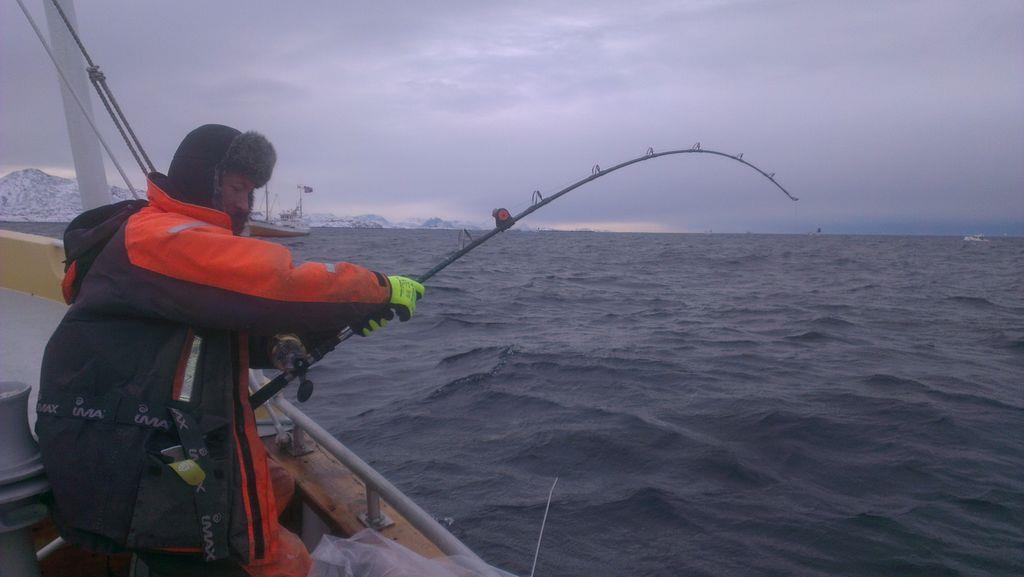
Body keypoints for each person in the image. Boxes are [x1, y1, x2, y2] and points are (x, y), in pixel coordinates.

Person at [35, 124, 424, 576]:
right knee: (276, 560)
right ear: (205, 178)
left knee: (275, 487)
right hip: (142, 460)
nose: (243, 203)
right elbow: (277, 283)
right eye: (237, 186)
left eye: (250, 191)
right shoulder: (161, 236)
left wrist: (332, 325)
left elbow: (224, 331)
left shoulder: (169, 239)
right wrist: (377, 289)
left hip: (140, 441)